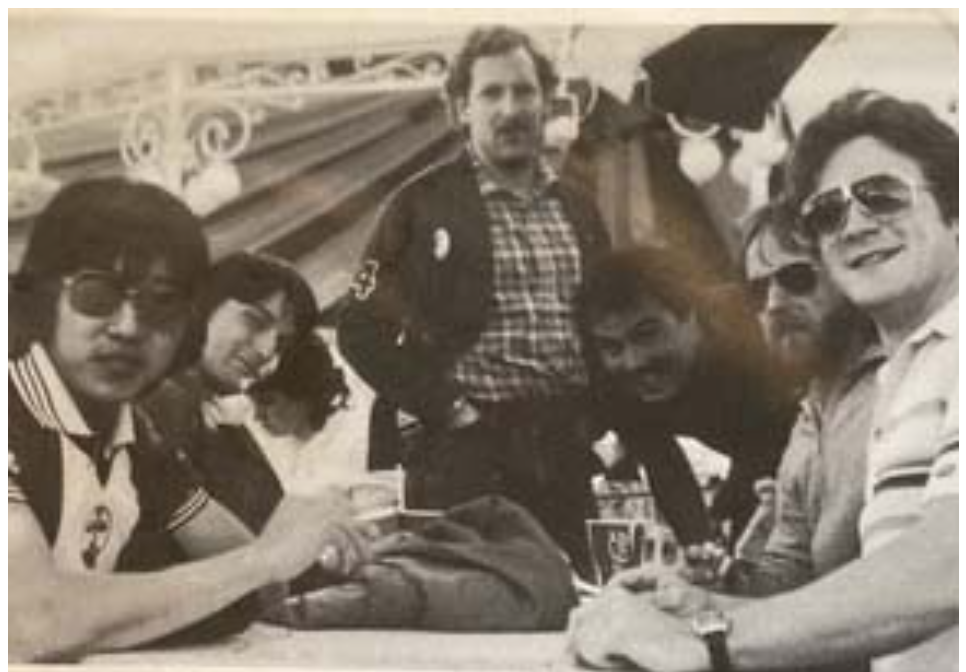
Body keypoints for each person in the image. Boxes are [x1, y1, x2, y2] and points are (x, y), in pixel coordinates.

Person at [570, 90, 957, 672]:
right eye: (827, 213)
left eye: (883, 195)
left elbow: (950, 562)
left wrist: (714, 637)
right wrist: (702, 604)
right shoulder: (905, 377)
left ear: (954, 207)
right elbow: (832, 594)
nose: (855, 224)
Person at [6, 177, 366, 662]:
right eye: (97, 294)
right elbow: (29, 621)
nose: (129, 327)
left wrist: (302, 535)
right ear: (44, 298)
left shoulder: (133, 431)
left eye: (162, 304)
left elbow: (255, 585)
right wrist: (265, 559)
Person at [336, 25, 610, 573]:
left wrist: (599, 419)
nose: (510, 109)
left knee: (578, 595)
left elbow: (608, 323)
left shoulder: (580, 209)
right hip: (465, 456)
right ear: (462, 107)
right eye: (491, 93)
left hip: (562, 451)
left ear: (546, 100)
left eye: (524, 91)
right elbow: (359, 329)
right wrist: (450, 409)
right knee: (467, 599)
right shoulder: (419, 204)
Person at [574, 246, 798, 549]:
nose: (633, 361)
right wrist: (699, 551)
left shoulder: (752, 339)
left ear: (692, 316)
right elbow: (664, 467)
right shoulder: (611, 379)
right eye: (612, 347)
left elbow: (765, 459)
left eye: (647, 334)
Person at [723, 206, 882, 603]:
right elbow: (789, 572)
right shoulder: (811, 415)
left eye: (797, 278)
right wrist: (717, 581)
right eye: (757, 291)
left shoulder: (897, 384)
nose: (774, 303)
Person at [144, 252, 321, 529]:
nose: (266, 350)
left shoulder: (215, 417)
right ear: (202, 305)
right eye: (255, 321)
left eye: (281, 344)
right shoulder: (159, 401)